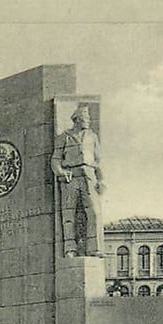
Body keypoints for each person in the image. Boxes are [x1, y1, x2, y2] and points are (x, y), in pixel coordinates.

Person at [50, 103, 105, 257]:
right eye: (86, 118)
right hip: (70, 177)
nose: (89, 120)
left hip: (89, 175)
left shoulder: (92, 136)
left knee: (94, 212)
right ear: (77, 119)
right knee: (69, 215)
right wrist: (61, 172)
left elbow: (98, 160)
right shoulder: (64, 137)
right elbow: (55, 160)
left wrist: (101, 180)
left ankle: (94, 248)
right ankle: (70, 249)